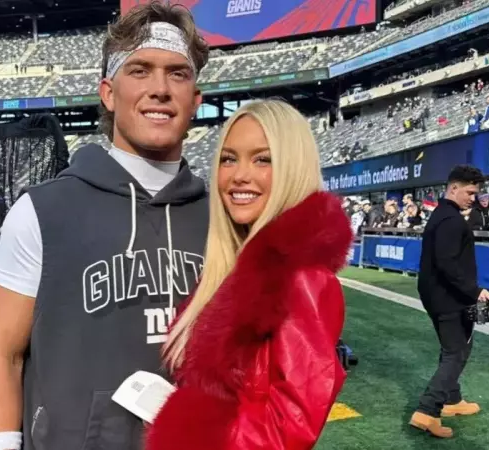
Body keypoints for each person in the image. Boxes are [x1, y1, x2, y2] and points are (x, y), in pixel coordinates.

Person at [0, 4, 210, 450]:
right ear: (108, 93)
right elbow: (0, 356)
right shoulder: (41, 211)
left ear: (195, 100)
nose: (160, 89)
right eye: (140, 70)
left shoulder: (225, 220)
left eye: (177, 74)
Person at [147, 100, 350, 450]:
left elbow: (291, 427)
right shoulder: (231, 267)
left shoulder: (301, 277)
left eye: (263, 159)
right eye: (228, 159)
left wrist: (191, 437)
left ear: (292, 167)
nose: (239, 175)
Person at [410, 165, 489, 438]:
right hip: (448, 298)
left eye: (476, 193)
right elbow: (447, 263)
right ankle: (427, 410)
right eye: (470, 192)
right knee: (456, 353)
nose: (473, 198)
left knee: (455, 348)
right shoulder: (451, 220)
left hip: (438, 295)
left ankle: (452, 400)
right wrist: (474, 291)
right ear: (454, 187)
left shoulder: (442, 214)